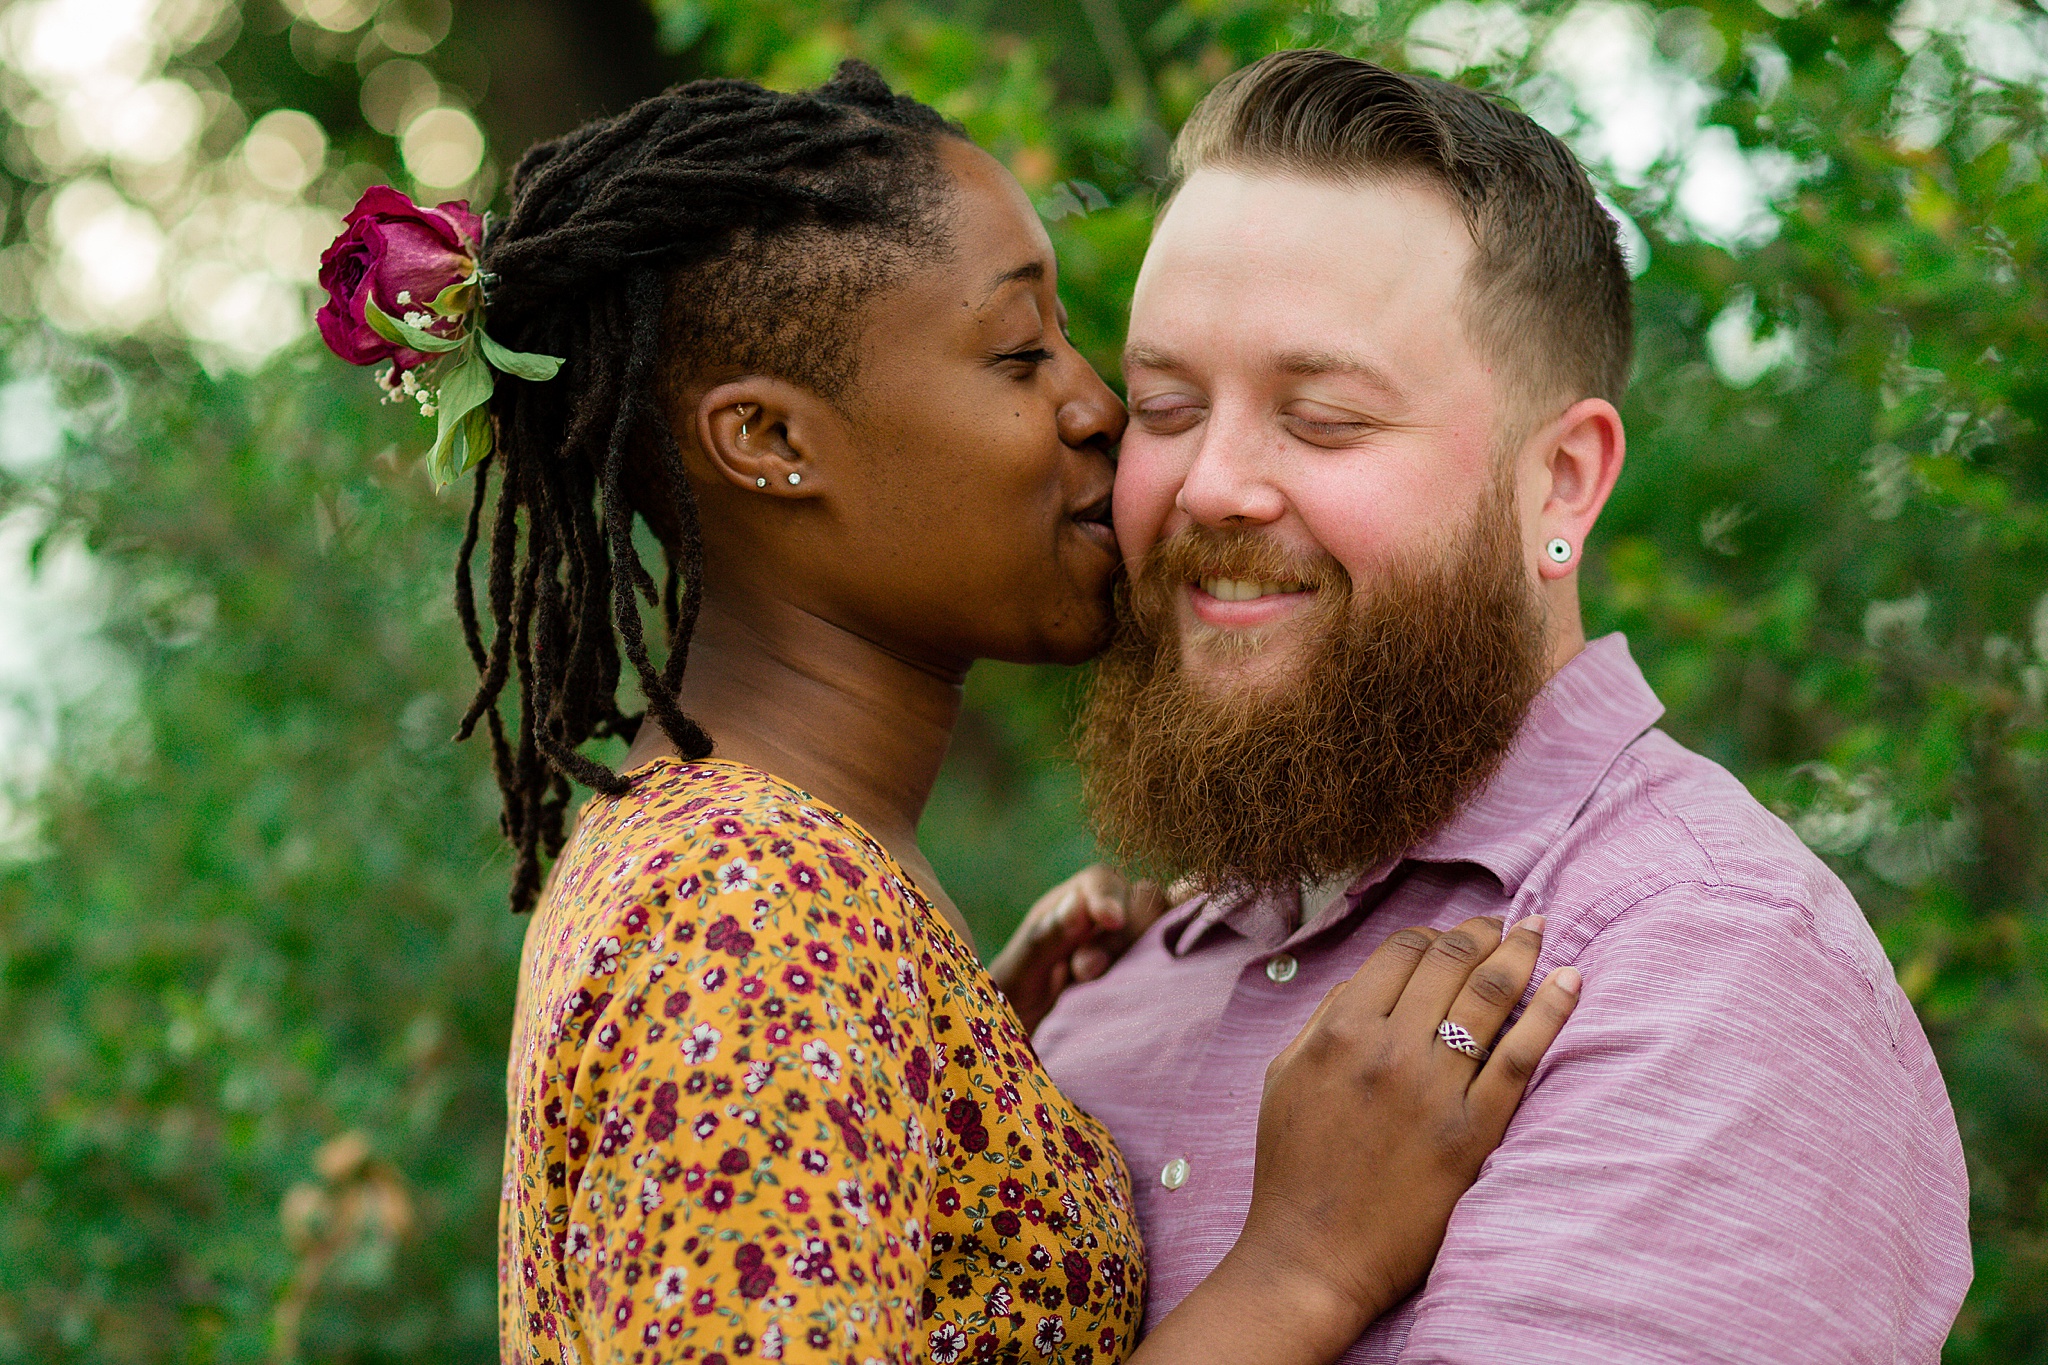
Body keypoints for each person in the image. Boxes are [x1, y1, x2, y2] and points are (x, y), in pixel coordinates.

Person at [312, 64, 1589, 1365]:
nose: (1099, 409)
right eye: (1020, 354)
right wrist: (1304, 1262)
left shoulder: (772, 896)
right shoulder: (754, 923)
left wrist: (965, 1062)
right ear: (767, 438)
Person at [1031, 50, 1974, 1364]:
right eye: (1170, 406)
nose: (1210, 486)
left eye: (1323, 416)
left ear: (1564, 484)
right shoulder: (1108, 984)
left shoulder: (1699, 967)